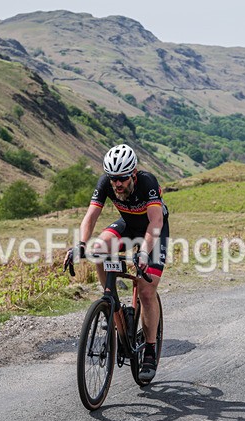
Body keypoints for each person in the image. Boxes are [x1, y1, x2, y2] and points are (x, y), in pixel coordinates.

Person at [64, 144, 169, 380]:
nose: (117, 184)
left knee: (146, 290)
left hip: (154, 233)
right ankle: (112, 304)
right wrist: (80, 244)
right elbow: (90, 216)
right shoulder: (106, 184)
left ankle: (150, 349)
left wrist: (143, 254)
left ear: (132, 173)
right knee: (98, 249)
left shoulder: (147, 183)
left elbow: (154, 224)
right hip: (128, 227)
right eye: (113, 179)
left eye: (122, 179)